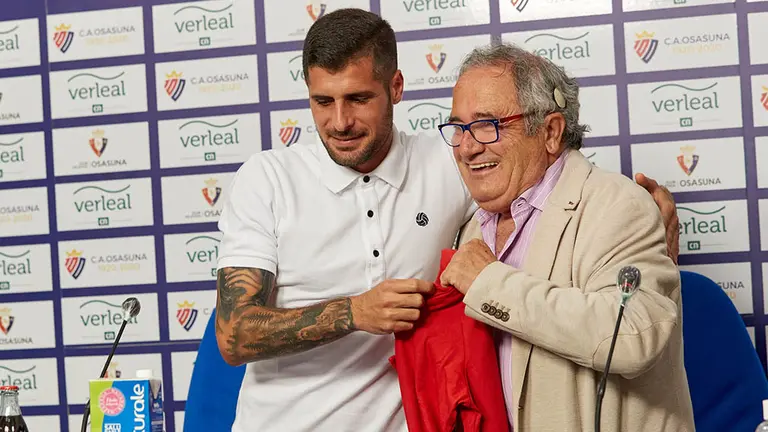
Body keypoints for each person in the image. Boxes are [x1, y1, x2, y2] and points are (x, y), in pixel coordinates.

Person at [213, 8, 682, 432]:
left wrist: (645, 217)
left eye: (358, 98)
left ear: (395, 88)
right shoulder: (267, 179)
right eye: (322, 101)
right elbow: (233, 335)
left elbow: (544, 178)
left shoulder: (452, 160)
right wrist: (356, 311)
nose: (339, 122)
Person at [438, 42, 695, 431]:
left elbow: (631, 335)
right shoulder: (471, 228)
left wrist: (489, 283)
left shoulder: (618, 204)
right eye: (458, 128)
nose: (467, 147)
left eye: (487, 125)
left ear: (551, 132)